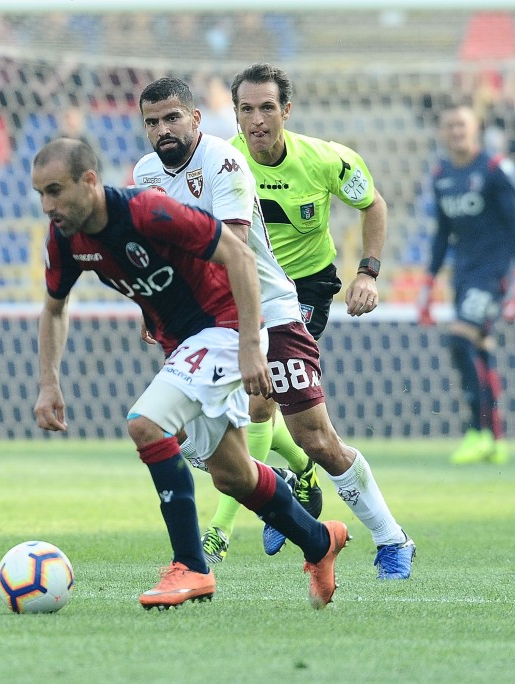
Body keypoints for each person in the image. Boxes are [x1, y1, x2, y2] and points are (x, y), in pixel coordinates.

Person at [32, 137, 349, 610]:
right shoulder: (65, 238)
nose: (47, 205)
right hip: (184, 345)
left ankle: (192, 567)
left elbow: (239, 256)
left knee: (145, 423)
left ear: (90, 181)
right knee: (234, 476)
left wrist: (248, 347)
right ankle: (319, 540)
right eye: (40, 194)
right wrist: (49, 382)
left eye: (55, 190)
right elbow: (54, 309)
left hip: (223, 329)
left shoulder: (149, 212)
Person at [133, 77, 415, 580]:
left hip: (270, 310)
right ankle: (285, 483)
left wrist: (366, 271)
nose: (162, 130)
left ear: (197, 118)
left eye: (172, 117)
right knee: (203, 452)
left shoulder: (225, 162)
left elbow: (232, 252)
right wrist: (153, 310)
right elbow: (155, 250)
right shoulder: (145, 172)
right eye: (152, 122)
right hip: (202, 321)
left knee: (316, 438)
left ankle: (393, 540)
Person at [229, 62, 387, 342]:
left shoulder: (325, 159)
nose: (257, 120)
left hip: (307, 283)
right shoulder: (222, 163)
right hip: (245, 281)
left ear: (286, 110)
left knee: (283, 359)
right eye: (247, 109)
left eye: (267, 107)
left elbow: (373, 204)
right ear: (236, 114)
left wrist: (367, 274)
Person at [418, 103, 515, 465]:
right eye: (450, 126)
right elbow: (442, 235)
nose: (456, 131)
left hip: (493, 275)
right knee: (481, 349)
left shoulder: (493, 170)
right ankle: (495, 439)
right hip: (464, 275)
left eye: (462, 125)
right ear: (442, 132)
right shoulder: (442, 174)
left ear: (475, 129)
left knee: (459, 338)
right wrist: (427, 286)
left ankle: (477, 431)